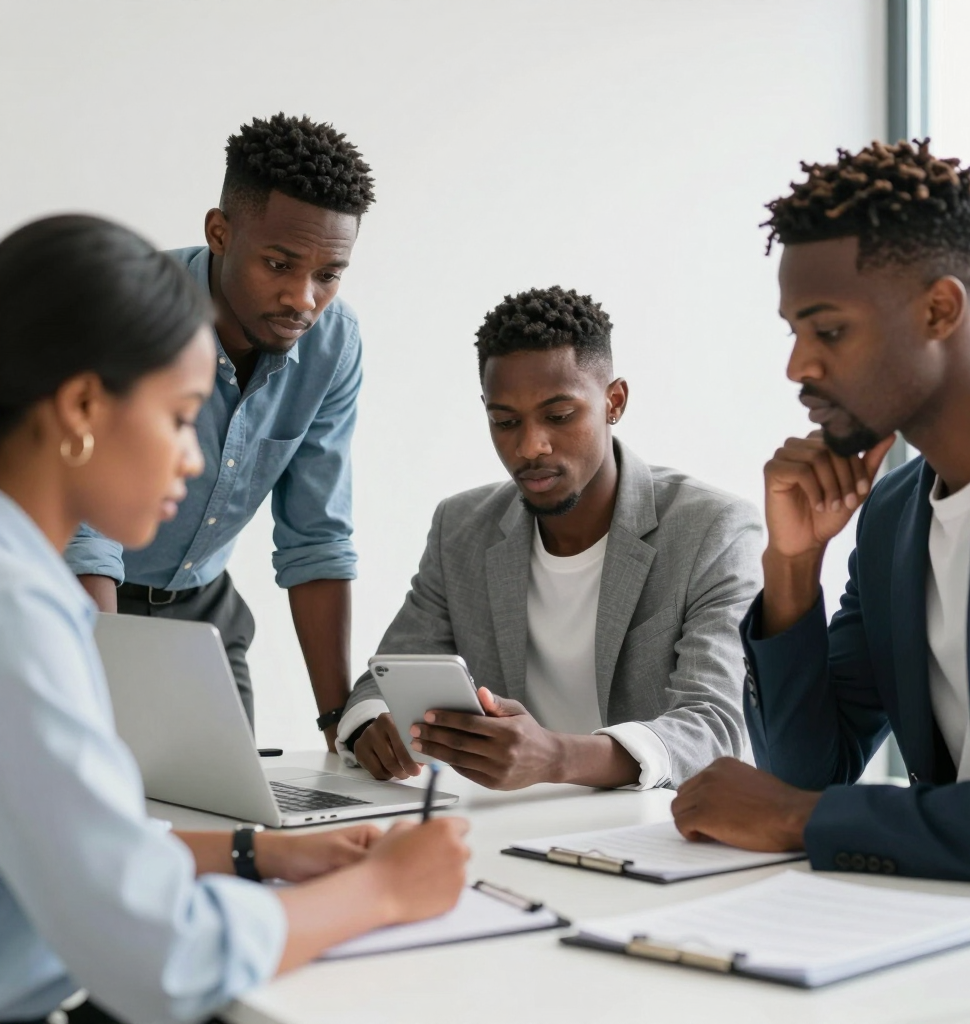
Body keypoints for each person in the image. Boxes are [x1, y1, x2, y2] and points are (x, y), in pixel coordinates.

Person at [0, 214, 469, 1024]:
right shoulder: (21, 615)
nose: (194, 456)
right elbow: (165, 960)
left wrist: (259, 851)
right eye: (181, 416)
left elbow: (73, 844)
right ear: (81, 405)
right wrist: (383, 890)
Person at [670, 139, 970, 885]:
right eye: (793, 332)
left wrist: (798, 820)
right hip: (941, 918)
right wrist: (793, 567)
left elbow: (797, 804)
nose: (798, 366)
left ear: (939, 309)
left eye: (827, 331)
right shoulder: (894, 514)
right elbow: (813, 766)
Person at [339, 286, 762, 790]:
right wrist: (370, 722)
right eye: (504, 422)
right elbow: (387, 675)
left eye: (559, 416)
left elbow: (714, 723)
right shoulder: (462, 528)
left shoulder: (713, 530)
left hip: (660, 828)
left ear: (614, 401)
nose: (530, 445)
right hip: (517, 824)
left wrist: (557, 757)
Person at [66, 113, 374, 744]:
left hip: (205, 613)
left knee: (239, 815)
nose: (303, 299)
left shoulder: (334, 346)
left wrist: (341, 719)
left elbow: (316, 536)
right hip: (78, 597)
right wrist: (104, 694)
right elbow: (84, 529)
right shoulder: (128, 311)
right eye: (279, 263)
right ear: (220, 233)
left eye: (328, 274)